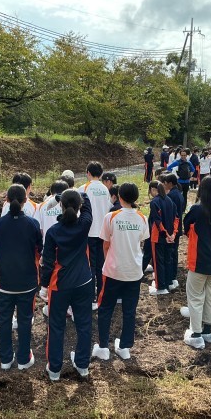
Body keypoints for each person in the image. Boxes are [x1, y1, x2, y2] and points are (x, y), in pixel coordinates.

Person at [40, 190, 94, 381]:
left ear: (61, 206)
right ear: (79, 206)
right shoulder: (84, 224)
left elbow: (47, 263)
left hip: (60, 285)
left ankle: (54, 369)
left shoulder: (53, 232)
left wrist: (43, 285)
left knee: (56, 326)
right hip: (84, 281)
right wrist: (76, 194)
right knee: (84, 324)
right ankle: (82, 365)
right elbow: (87, 205)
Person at [92, 183, 149, 361]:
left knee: (105, 308)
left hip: (113, 271)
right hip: (134, 271)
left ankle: (103, 347)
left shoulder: (111, 217)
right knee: (129, 310)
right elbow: (140, 241)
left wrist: (108, 261)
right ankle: (125, 347)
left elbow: (105, 244)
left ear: (119, 196)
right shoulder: (142, 218)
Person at [0, 184, 43, 371]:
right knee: (25, 319)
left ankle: (5, 359)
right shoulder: (32, 224)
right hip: (27, 282)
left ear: (6, 199)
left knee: (4, 319)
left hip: (4, 281)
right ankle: (23, 358)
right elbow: (39, 250)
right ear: (25, 201)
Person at [181, 176, 211, 350]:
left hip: (199, 260)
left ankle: (196, 334)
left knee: (195, 297)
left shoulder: (197, 209)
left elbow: (186, 227)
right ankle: (208, 331)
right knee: (210, 295)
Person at [78, 161, 112, 308]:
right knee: (101, 265)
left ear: (88, 173)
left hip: (89, 232)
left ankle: (91, 298)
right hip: (103, 232)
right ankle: (101, 296)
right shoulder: (105, 189)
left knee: (90, 265)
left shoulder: (83, 188)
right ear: (101, 174)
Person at [141, 181, 178, 295]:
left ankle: (161, 287)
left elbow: (157, 221)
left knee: (158, 262)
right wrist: (172, 234)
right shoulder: (170, 200)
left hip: (158, 236)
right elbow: (176, 218)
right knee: (168, 259)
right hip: (170, 236)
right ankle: (168, 283)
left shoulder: (155, 202)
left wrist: (165, 233)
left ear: (153, 190)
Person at [161, 174, 183, 290]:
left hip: (173, 229)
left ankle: (171, 277)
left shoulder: (171, 196)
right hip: (177, 228)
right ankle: (173, 276)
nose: (164, 185)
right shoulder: (179, 193)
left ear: (170, 183)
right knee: (174, 253)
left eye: (165, 183)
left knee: (170, 254)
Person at [166, 149, 195, 214]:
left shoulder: (188, 162)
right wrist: (175, 176)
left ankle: (183, 210)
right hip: (179, 182)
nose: (183, 156)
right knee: (180, 196)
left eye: (184, 155)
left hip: (186, 182)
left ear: (186, 155)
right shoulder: (178, 162)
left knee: (184, 196)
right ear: (180, 155)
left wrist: (189, 176)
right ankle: (180, 209)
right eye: (182, 155)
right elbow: (169, 168)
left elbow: (193, 169)